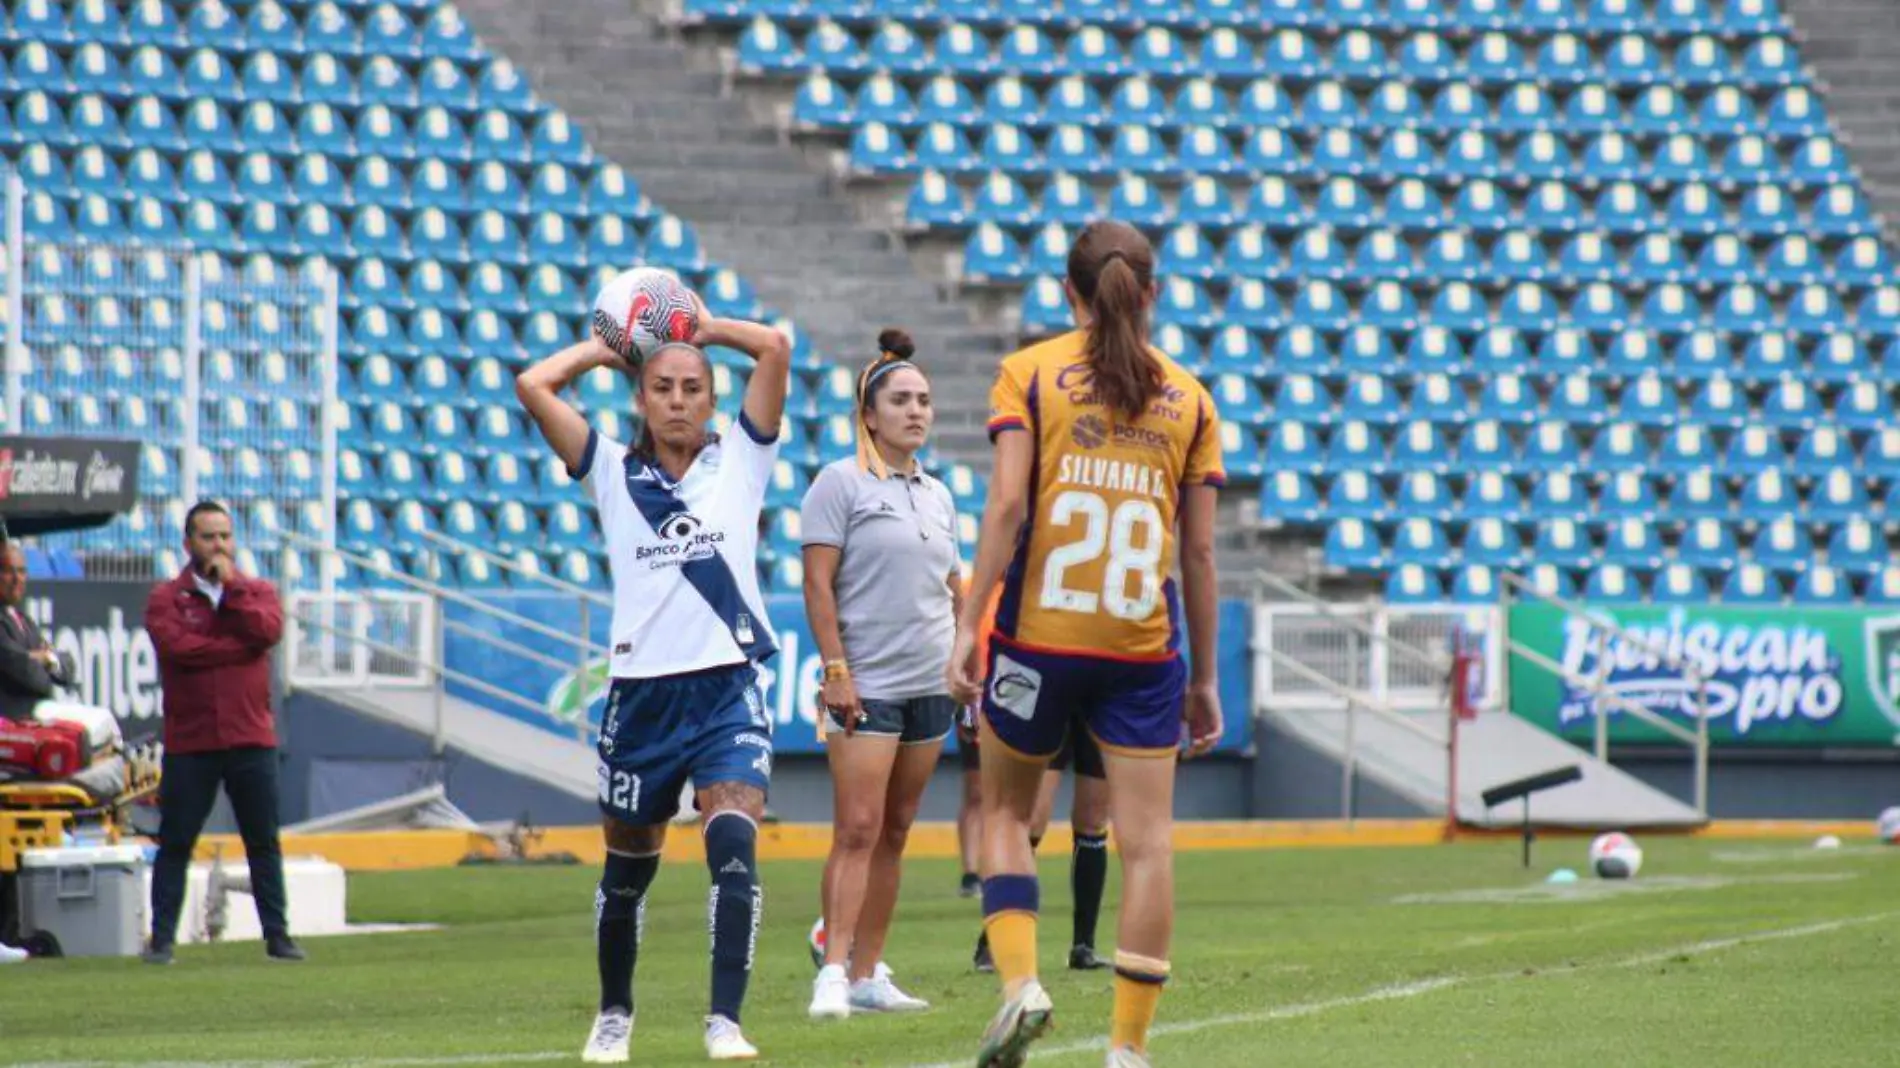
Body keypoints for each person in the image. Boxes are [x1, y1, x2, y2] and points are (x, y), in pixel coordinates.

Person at [948, 220, 1226, 1068]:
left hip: (1038, 637)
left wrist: (970, 622)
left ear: (1068, 292)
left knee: (1003, 813)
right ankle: (1129, 1050)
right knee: (1149, 846)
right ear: (1153, 294)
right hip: (1142, 648)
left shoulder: (1028, 375)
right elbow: (1200, 552)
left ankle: (1022, 987)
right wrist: (1205, 678)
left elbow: (1005, 509)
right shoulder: (1191, 396)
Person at [516, 296, 789, 1064]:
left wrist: (703, 330)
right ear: (640, 396)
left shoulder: (741, 457)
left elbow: (772, 347)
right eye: (663, 387)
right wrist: (605, 350)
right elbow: (534, 386)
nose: (678, 400)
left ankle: (724, 1021)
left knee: (733, 837)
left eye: (693, 387)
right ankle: (613, 1015)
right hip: (640, 698)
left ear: (711, 399)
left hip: (725, 690)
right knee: (627, 869)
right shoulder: (610, 469)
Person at [801, 330, 962, 1020]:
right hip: (866, 683)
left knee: (897, 829)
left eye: (923, 399)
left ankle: (868, 971)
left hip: (932, 684)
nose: (916, 411)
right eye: (901, 399)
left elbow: (955, 583)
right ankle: (831, 969)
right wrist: (837, 669)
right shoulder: (839, 483)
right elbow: (817, 585)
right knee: (857, 829)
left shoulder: (939, 492)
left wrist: (969, 650)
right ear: (869, 414)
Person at [143, 501, 298, 966]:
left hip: (250, 737)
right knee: (176, 841)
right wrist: (235, 649)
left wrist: (232, 588)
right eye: (209, 537)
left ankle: (278, 936)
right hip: (193, 741)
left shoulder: (255, 591)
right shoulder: (166, 599)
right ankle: (162, 939)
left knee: (263, 840)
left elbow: (267, 631)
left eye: (225, 536)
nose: (219, 546)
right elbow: (178, 649)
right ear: (188, 543)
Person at [961, 586, 1111, 975]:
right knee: (1030, 817)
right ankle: (992, 939)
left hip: (1103, 689)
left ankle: (1084, 945)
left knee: (1093, 820)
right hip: (1055, 682)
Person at [0, 541, 74, 721]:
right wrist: (40, 661)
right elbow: (23, 669)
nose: (17, 579)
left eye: (22, 571)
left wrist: (47, 658)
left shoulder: (26, 621)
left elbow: (68, 666)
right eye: (9, 571)